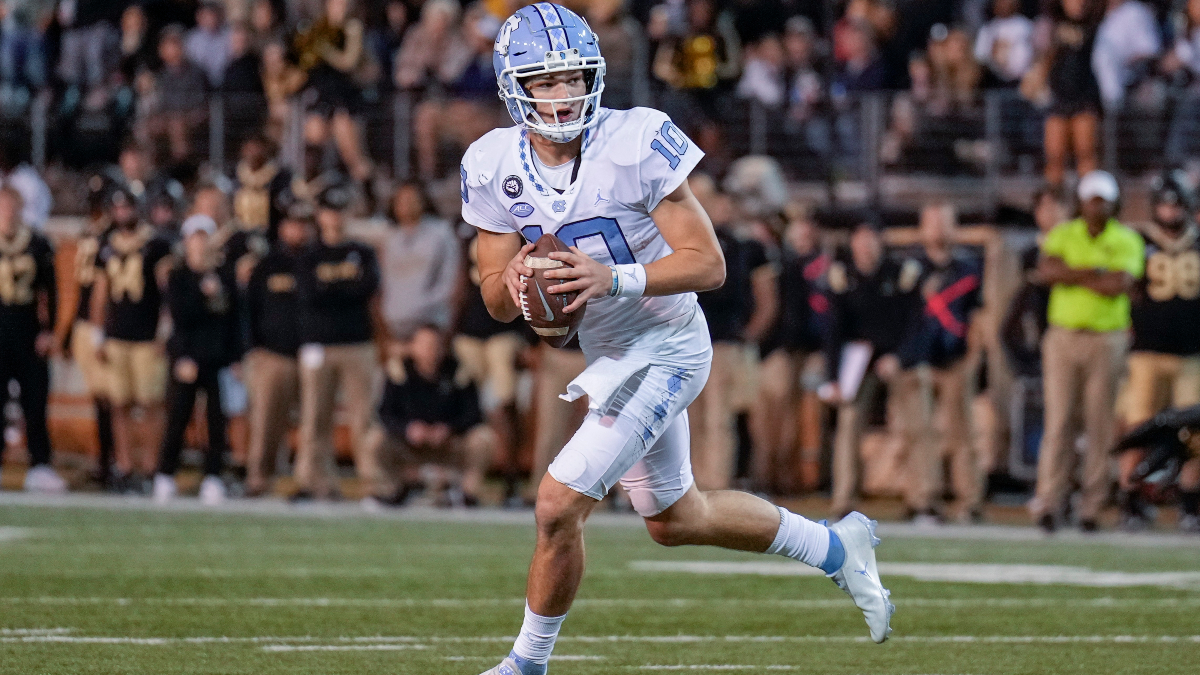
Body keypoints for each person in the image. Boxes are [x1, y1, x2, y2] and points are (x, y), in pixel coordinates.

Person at [463, 7, 893, 674]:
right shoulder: (492, 163)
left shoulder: (635, 140)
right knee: (675, 518)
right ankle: (839, 546)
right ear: (514, 87)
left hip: (668, 341)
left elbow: (708, 263)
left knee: (556, 503)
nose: (564, 94)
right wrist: (516, 277)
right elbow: (493, 295)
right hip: (610, 354)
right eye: (545, 82)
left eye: (574, 77)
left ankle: (526, 663)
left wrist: (614, 277)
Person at [1032, 170, 1144, 532]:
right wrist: (1092, 272)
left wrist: (1073, 273)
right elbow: (1047, 272)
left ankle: (1091, 506)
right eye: (1092, 198)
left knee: (1099, 423)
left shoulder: (1127, 238)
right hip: (1064, 336)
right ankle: (1050, 500)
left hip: (1106, 338)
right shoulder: (1064, 233)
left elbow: (1119, 284)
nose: (1098, 206)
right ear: (1082, 201)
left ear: (1114, 203)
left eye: (1104, 199)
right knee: (1060, 421)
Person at [1116, 174, 1200, 530]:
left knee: (1194, 435)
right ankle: (1131, 499)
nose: (1169, 211)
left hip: (1191, 355)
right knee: (1139, 429)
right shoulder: (1138, 241)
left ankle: (1191, 503)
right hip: (1146, 353)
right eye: (1164, 204)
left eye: (1175, 204)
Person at [822, 217, 919, 519]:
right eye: (860, 239)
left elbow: (916, 323)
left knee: (914, 421)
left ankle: (921, 497)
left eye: (870, 239)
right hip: (857, 359)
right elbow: (834, 330)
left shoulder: (901, 273)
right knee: (849, 423)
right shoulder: (842, 276)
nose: (865, 246)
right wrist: (834, 376)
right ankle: (844, 498)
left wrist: (900, 357)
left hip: (896, 357)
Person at [894, 203, 984, 524]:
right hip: (917, 360)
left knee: (963, 432)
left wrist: (974, 354)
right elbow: (900, 315)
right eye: (932, 223)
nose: (938, 230)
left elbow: (978, 314)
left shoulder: (969, 267)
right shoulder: (909, 267)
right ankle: (923, 497)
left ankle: (969, 499)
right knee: (919, 433)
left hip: (956, 357)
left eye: (944, 223)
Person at [293, 186, 380, 501]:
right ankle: (314, 480)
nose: (335, 217)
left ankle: (373, 481)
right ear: (320, 215)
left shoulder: (363, 251)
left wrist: (332, 289)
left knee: (364, 417)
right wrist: (346, 288)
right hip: (320, 343)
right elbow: (309, 294)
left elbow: (367, 288)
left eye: (341, 210)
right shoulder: (308, 255)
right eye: (330, 210)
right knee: (314, 415)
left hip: (357, 342)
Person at [689, 187, 776, 491]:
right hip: (688, 343)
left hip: (722, 344)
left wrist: (746, 335)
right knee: (691, 420)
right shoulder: (688, 240)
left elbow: (766, 299)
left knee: (718, 420)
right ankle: (692, 486)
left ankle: (714, 486)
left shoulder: (744, 246)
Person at [91, 186, 174, 494]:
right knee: (119, 404)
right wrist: (98, 333)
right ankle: (126, 467)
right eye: (118, 208)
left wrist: (165, 330)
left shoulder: (157, 244)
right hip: (116, 334)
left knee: (151, 403)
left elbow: (168, 291)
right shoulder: (105, 245)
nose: (123, 213)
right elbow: (100, 292)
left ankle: (152, 467)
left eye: (127, 208)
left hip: (147, 335)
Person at [153, 215, 239, 504]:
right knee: (177, 418)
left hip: (215, 358)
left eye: (205, 237)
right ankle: (165, 474)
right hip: (187, 358)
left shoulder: (224, 276)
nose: (200, 244)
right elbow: (181, 316)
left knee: (216, 421)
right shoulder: (178, 276)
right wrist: (206, 299)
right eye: (195, 237)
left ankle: (213, 475)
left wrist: (235, 356)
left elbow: (231, 318)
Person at [368, 325, 494, 507]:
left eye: (435, 345)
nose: (431, 351)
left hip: (448, 444)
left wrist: (449, 429)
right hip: (410, 444)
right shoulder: (398, 372)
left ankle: (466, 493)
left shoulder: (459, 372)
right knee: (374, 439)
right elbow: (385, 413)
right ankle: (391, 489)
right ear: (412, 347)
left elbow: (473, 414)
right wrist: (408, 429)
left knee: (484, 438)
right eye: (425, 345)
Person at [752, 203, 830, 495]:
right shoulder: (769, 262)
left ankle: (782, 479)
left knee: (784, 419)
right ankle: (768, 477)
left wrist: (783, 346)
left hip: (782, 351)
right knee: (767, 419)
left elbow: (792, 314)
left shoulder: (789, 266)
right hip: (769, 349)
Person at [243, 202, 311, 497]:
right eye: (293, 223)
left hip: (310, 355)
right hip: (271, 354)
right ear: (283, 227)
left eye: (304, 223)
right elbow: (248, 309)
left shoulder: (316, 260)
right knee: (266, 422)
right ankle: (259, 478)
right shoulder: (266, 264)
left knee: (311, 425)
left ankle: (306, 481)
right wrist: (251, 348)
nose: (299, 230)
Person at [0, 186, 65, 492]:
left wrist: (48, 330)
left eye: (12, 206)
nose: (7, 213)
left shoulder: (37, 243)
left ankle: (40, 465)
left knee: (35, 402)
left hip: (27, 332)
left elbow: (49, 291)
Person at [70, 177, 118, 488]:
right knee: (99, 398)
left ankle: (113, 462)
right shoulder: (90, 233)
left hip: (106, 326)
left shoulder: (114, 238)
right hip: (86, 323)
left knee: (112, 399)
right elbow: (81, 287)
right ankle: (105, 460)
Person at [380, 181, 460, 339]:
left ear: (422, 201)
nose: (406, 205)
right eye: (401, 200)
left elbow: (450, 279)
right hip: (394, 322)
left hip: (429, 322)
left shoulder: (441, 233)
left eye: (411, 199)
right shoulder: (390, 239)